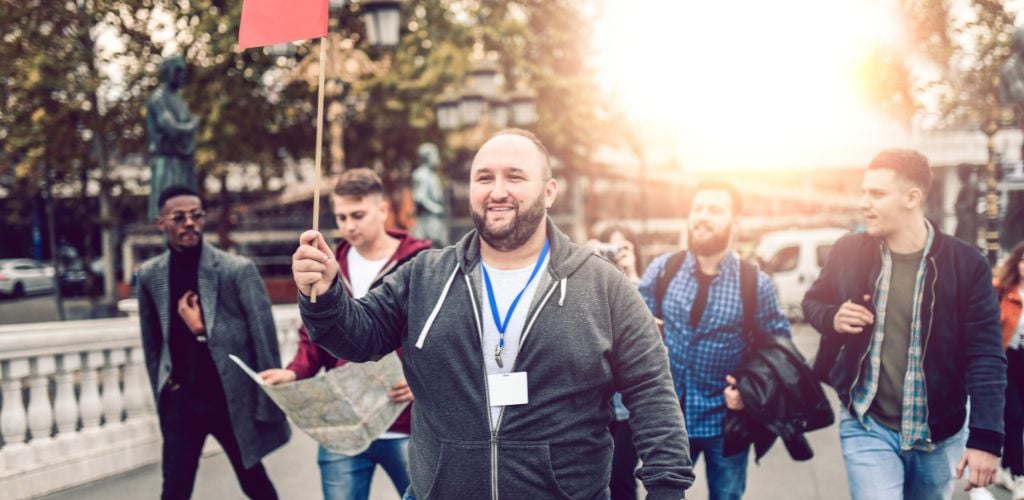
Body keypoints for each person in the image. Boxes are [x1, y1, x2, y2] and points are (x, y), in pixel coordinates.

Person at [292, 129, 694, 499]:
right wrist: (325, 293)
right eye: (484, 178)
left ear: (549, 191)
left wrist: (666, 489)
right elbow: (356, 338)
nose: (497, 191)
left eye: (514, 177)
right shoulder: (425, 275)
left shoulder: (604, 286)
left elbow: (652, 391)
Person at [803, 149, 1006, 500]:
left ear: (913, 197)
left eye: (877, 194)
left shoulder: (967, 264)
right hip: (867, 422)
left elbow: (985, 356)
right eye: (864, 191)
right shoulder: (849, 250)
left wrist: (986, 438)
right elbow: (813, 302)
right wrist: (832, 317)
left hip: (939, 433)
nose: (864, 203)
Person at [259, 169, 431, 500]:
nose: (349, 225)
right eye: (341, 217)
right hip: (343, 423)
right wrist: (293, 372)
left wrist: (424, 380)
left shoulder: (422, 262)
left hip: (405, 422)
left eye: (358, 215)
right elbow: (314, 335)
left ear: (382, 210)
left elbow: (438, 334)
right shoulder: (323, 263)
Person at [638, 180, 792, 500]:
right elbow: (633, 331)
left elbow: (778, 346)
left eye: (715, 210)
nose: (702, 216)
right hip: (669, 419)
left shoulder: (754, 283)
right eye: (698, 209)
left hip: (727, 421)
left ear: (735, 222)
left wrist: (748, 391)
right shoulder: (664, 269)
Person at [137, 185, 289, 500]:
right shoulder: (150, 275)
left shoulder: (237, 269)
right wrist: (163, 394)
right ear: (161, 223)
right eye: (179, 217)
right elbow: (152, 345)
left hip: (229, 398)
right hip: (181, 402)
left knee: (255, 483)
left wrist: (202, 330)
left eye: (196, 216)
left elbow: (263, 336)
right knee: (174, 489)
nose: (189, 223)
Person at [590, 225, 643, 500]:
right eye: (608, 247)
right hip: (594, 406)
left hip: (625, 411)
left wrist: (630, 273)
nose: (614, 253)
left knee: (622, 479)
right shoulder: (591, 285)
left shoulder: (641, 286)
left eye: (622, 247)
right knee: (595, 480)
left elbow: (648, 328)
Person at [995, 241, 1024, 499]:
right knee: (1014, 416)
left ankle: (1006, 468)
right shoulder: (1002, 290)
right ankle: (1019, 474)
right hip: (1006, 359)